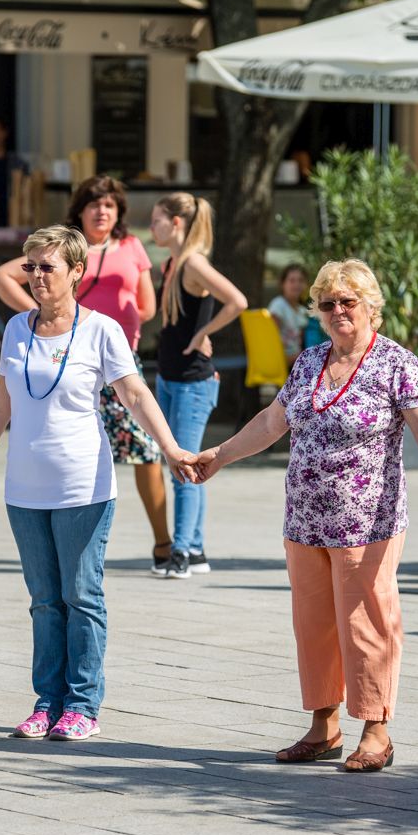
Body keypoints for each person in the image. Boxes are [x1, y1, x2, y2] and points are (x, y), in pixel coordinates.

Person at [193, 259, 418, 770]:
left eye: (347, 301)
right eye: (327, 303)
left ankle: (376, 730)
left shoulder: (396, 363)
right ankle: (323, 726)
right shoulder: (309, 361)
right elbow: (272, 422)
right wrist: (220, 456)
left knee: (366, 624)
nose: (337, 311)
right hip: (304, 521)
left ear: (370, 306)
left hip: (366, 523)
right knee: (314, 626)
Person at [0, 226, 194, 741]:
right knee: (43, 601)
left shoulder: (102, 331)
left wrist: (170, 448)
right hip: (24, 489)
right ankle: (46, 702)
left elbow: (135, 395)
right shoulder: (16, 328)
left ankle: (82, 705)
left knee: (81, 595)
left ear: (76, 271)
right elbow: (0, 406)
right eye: (29, 266)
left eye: (46, 267)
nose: (35, 276)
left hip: (83, 488)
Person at [0, 176, 171, 571]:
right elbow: (2, 276)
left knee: (145, 451)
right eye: (94, 204)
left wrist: (106, 326)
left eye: (109, 205)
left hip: (114, 358)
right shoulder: (56, 249)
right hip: (60, 358)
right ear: (81, 210)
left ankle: (163, 541)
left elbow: (147, 307)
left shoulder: (131, 246)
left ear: (119, 212)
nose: (102, 211)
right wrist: (39, 315)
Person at [149, 192, 247, 579]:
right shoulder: (173, 263)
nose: (151, 227)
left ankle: (180, 554)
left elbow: (237, 300)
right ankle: (195, 548)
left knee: (184, 467)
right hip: (170, 377)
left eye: (156, 220)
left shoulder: (193, 263)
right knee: (186, 464)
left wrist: (204, 333)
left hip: (193, 382)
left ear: (175, 223)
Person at [267, 263, 311, 359]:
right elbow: (269, 340)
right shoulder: (278, 305)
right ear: (283, 284)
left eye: (301, 280)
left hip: (296, 359)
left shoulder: (303, 311)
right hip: (279, 359)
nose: (297, 284)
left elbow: (301, 343)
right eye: (292, 280)